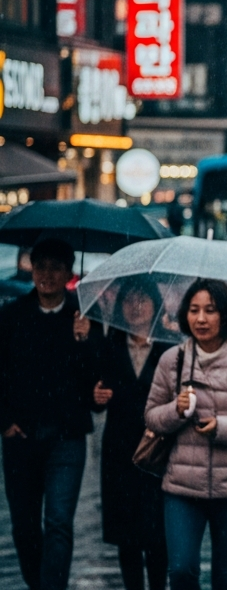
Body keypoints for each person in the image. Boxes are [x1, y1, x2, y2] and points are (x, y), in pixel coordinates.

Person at [145, 279, 227, 590]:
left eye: (210, 310)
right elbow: (151, 416)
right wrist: (174, 411)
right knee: (180, 571)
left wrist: (222, 427)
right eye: (193, 310)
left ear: (226, 315)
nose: (201, 319)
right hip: (181, 488)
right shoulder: (172, 361)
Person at [0, 238, 100, 590]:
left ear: (69, 273)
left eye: (56, 268)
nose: (47, 275)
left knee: (58, 521)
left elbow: (97, 388)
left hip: (66, 437)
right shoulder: (11, 316)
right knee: (25, 526)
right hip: (20, 437)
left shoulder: (84, 316)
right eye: (41, 266)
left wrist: (85, 341)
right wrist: (5, 422)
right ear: (32, 269)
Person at [92, 280, 174, 590]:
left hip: (158, 450)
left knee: (157, 534)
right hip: (120, 451)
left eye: (143, 299)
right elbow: (94, 391)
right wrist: (95, 397)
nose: (136, 306)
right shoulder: (108, 345)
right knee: (126, 536)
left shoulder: (170, 348)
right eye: (129, 300)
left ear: (155, 304)